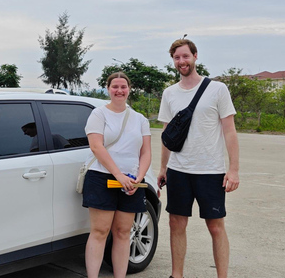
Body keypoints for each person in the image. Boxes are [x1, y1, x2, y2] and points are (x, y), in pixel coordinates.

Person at [157, 38, 240, 278]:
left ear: (195, 56)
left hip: (210, 171)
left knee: (215, 226)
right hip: (179, 169)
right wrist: (163, 167)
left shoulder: (217, 89)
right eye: (177, 58)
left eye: (185, 56)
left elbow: (229, 131)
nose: (181, 61)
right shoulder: (169, 93)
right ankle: (177, 275)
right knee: (176, 224)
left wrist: (233, 170)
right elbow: (167, 134)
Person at [83, 72, 152, 278]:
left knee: (123, 233)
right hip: (102, 178)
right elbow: (96, 147)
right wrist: (118, 176)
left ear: (129, 89)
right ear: (108, 89)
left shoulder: (140, 119)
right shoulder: (99, 114)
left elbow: (146, 151)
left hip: (131, 182)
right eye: (115, 87)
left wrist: (139, 177)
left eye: (123, 86)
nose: (119, 90)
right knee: (99, 232)